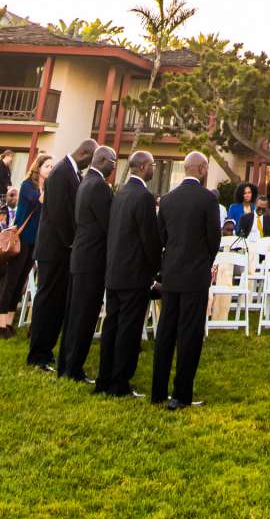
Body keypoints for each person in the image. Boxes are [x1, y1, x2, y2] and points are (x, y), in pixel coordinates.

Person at [152, 150, 222, 409]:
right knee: (189, 335)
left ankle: (158, 391)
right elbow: (213, 239)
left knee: (166, 331)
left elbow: (161, 238)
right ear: (202, 170)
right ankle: (181, 395)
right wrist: (205, 262)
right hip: (194, 276)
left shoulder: (167, 200)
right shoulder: (207, 200)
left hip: (170, 274)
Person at [26, 139, 95, 373]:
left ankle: (47, 350)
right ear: (84, 153)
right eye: (92, 158)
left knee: (57, 303)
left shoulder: (73, 172)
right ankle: (38, 353)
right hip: (53, 250)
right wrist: (71, 242)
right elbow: (57, 213)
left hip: (62, 250)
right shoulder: (60, 172)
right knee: (47, 301)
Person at [95, 150, 161, 398]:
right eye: (153, 164)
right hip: (134, 274)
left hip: (114, 271)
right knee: (128, 329)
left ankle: (104, 377)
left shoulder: (120, 192)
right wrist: (156, 267)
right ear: (143, 167)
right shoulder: (142, 196)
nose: (154, 168)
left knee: (112, 324)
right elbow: (149, 237)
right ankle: (120, 383)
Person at [59, 145, 117, 381]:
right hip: (92, 260)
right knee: (84, 316)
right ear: (102, 160)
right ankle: (73, 369)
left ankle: (66, 363)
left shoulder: (85, 182)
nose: (114, 166)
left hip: (80, 256)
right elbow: (108, 224)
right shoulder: (99, 187)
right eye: (113, 161)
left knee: (74, 315)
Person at [0, 155, 48, 337]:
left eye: (52, 166)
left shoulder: (46, 187)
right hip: (21, 239)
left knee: (21, 282)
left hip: (35, 240)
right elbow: (38, 200)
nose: (50, 169)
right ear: (38, 167)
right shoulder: (28, 186)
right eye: (47, 166)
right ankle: (2, 324)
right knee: (11, 280)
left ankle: (10, 321)